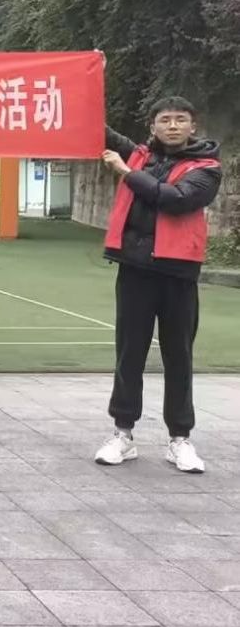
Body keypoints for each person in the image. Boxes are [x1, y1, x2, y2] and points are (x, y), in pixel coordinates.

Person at [94, 96, 222, 474]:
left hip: (178, 273)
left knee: (178, 356)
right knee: (129, 353)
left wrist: (126, 172)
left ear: (192, 126)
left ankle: (180, 438)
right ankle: (123, 434)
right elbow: (97, 131)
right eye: (165, 120)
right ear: (153, 126)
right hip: (135, 269)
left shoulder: (206, 168)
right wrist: (84, 87)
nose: (172, 125)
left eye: (180, 119)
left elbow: (175, 199)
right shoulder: (140, 155)